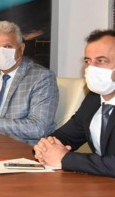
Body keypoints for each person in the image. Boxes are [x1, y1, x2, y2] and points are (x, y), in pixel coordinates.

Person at [34, 29, 115, 177]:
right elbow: (66, 136)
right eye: (88, 61)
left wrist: (65, 159)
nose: (91, 68)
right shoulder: (94, 99)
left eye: (101, 61)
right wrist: (45, 147)